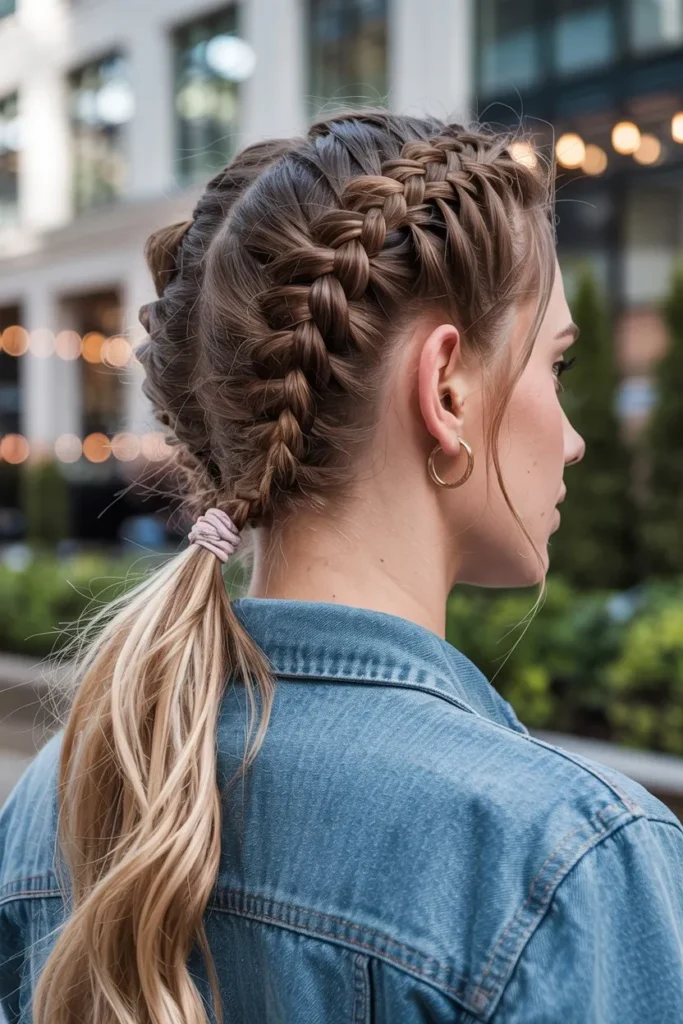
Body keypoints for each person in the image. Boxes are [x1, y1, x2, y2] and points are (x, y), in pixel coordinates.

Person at [1, 111, 682, 1024]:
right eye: (554, 365)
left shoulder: (64, 795)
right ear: (446, 389)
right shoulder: (560, 858)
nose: (572, 440)